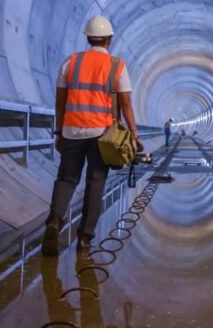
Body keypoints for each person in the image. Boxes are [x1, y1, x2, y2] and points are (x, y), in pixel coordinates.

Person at [43, 15, 144, 256]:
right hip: (102, 135)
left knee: (67, 179)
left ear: (88, 38)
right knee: (95, 184)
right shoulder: (117, 66)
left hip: (72, 131)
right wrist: (133, 134)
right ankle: (85, 239)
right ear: (109, 40)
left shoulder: (70, 63)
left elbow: (60, 102)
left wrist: (58, 131)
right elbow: (126, 103)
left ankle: (54, 222)